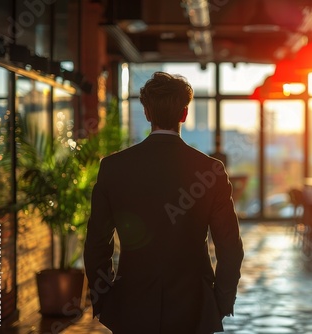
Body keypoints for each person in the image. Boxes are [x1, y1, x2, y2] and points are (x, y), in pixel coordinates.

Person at [83, 71, 244, 334]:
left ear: (147, 113)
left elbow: (97, 244)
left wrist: (102, 300)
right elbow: (230, 248)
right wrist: (221, 303)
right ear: (184, 114)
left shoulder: (114, 168)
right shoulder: (211, 171)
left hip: (131, 305)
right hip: (194, 305)